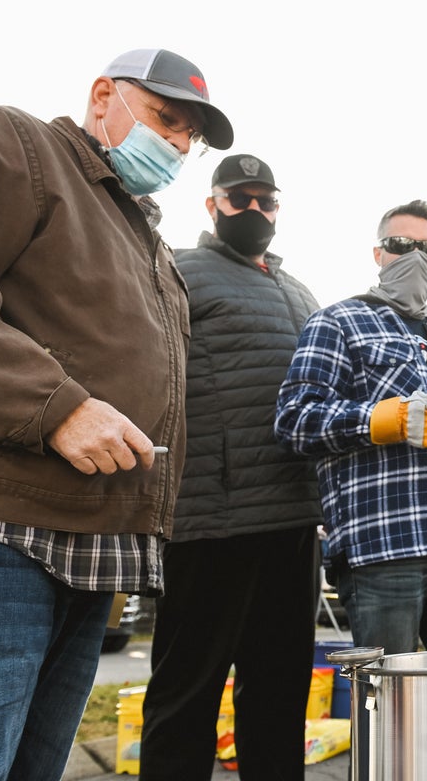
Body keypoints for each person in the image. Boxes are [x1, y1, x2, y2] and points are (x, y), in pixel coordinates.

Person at [0, 48, 231, 780]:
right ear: (102, 96)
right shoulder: (18, 144)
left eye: (189, 136)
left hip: (92, 549)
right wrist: (55, 407)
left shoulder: (144, 235)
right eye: (165, 118)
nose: (177, 145)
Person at [275, 199, 427, 778]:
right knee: (390, 716)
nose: (416, 257)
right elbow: (294, 420)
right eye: (402, 246)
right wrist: (379, 420)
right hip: (384, 548)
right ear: (378, 253)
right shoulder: (337, 322)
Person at [138, 154, 322, 780]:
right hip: (208, 522)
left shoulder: (300, 292)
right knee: (187, 691)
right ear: (212, 204)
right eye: (239, 198)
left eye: (266, 200)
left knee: (279, 692)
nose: (254, 210)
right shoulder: (178, 270)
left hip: (292, 522)